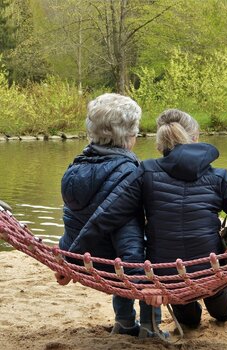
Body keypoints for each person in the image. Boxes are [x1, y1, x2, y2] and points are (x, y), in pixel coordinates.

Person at [70, 109, 227, 328]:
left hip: (167, 277)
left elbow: (107, 216)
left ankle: (195, 309)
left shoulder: (145, 172)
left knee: (189, 321)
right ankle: (220, 305)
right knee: (219, 302)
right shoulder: (219, 177)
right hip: (210, 269)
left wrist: (71, 258)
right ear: (195, 138)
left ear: (161, 144)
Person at [55, 93, 164, 338]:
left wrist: (66, 256)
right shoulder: (128, 172)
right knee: (153, 252)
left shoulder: (75, 167)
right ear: (128, 136)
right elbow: (128, 235)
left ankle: (124, 322)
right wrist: (141, 282)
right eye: (135, 131)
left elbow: (73, 220)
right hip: (116, 262)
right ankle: (151, 327)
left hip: (87, 258)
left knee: (121, 254)